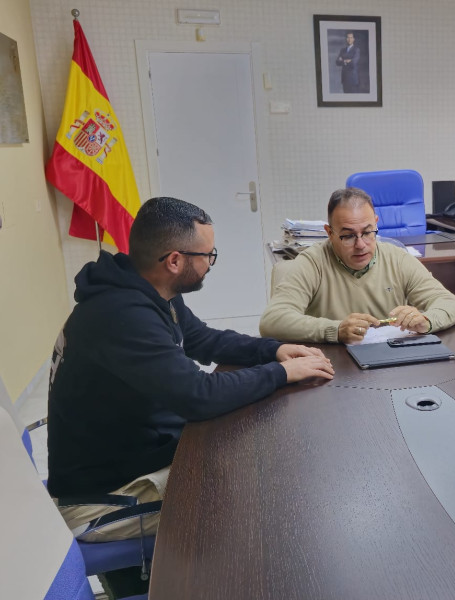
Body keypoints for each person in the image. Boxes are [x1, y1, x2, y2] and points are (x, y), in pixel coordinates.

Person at [48, 197, 335, 540]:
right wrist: (283, 374)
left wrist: (274, 350)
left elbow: (203, 339)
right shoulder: (120, 315)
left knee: (257, 458)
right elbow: (198, 396)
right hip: (102, 499)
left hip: (139, 456)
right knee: (258, 500)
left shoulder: (147, 287)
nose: (211, 263)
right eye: (208, 255)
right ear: (174, 261)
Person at [260, 187, 455, 344]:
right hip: (333, 370)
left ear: (376, 223)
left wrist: (425, 321)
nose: (360, 245)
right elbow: (273, 320)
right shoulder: (313, 263)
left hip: (389, 364)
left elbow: (452, 304)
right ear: (330, 233)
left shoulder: (398, 259)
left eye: (367, 232)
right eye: (348, 236)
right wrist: (336, 330)